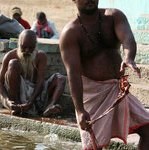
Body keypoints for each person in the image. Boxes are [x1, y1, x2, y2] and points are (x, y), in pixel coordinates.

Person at [59, 0, 149, 150]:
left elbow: (127, 38)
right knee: (94, 146)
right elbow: (73, 74)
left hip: (118, 89)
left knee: (147, 130)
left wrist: (128, 57)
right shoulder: (70, 33)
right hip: (92, 95)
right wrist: (80, 110)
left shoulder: (113, 16)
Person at [0, 29, 65, 117]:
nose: (27, 51)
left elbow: (40, 81)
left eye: (31, 48)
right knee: (13, 63)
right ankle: (16, 107)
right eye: (24, 47)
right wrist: (7, 100)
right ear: (19, 44)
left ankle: (50, 106)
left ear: (35, 46)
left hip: (35, 95)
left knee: (60, 78)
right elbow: (0, 82)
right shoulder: (10, 55)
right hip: (16, 95)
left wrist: (31, 101)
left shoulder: (41, 56)